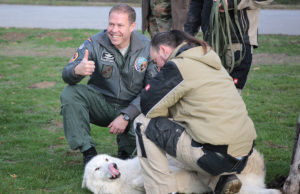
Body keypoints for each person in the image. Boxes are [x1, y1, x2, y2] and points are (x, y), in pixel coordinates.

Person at [134, 30, 257, 194]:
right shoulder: (208, 58)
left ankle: (161, 190)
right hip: (242, 154)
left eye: (156, 61)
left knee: (142, 123)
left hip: (217, 156)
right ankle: (220, 181)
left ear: (164, 50)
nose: (157, 67)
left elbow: (148, 106)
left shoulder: (178, 66)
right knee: (187, 127)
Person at [60, 4, 157, 166]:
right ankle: (88, 153)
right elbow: (66, 73)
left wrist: (127, 115)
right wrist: (77, 70)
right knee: (70, 93)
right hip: (101, 103)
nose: (114, 30)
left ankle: (125, 152)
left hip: (131, 107)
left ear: (132, 26)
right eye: (111, 24)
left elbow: (152, 89)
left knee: (141, 134)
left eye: (120, 25)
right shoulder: (94, 42)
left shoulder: (147, 47)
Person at [184, 0, 273, 94]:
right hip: (210, 45)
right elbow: (196, 4)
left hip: (236, 45)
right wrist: (186, 37)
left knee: (228, 100)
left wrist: (231, 3)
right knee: (207, 98)